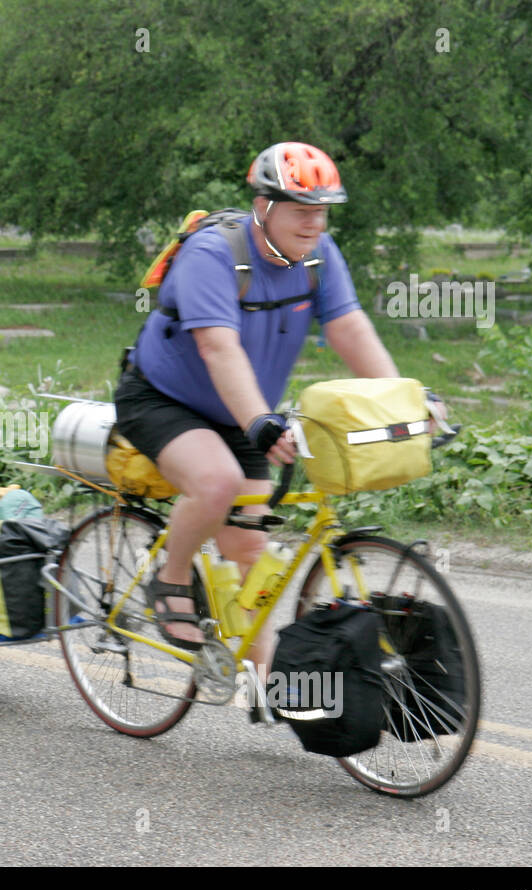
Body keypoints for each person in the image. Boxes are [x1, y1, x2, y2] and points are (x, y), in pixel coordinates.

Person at [116, 142, 445, 708]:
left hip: (243, 413)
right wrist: (262, 423)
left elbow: (349, 329)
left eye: (324, 209)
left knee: (250, 556)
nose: (315, 221)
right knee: (217, 483)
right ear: (263, 205)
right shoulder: (213, 255)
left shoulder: (320, 254)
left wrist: (403, 402)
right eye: (302, 208)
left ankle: (279, 693)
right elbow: (219, 350)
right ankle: (169, 581)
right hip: (164, 400)